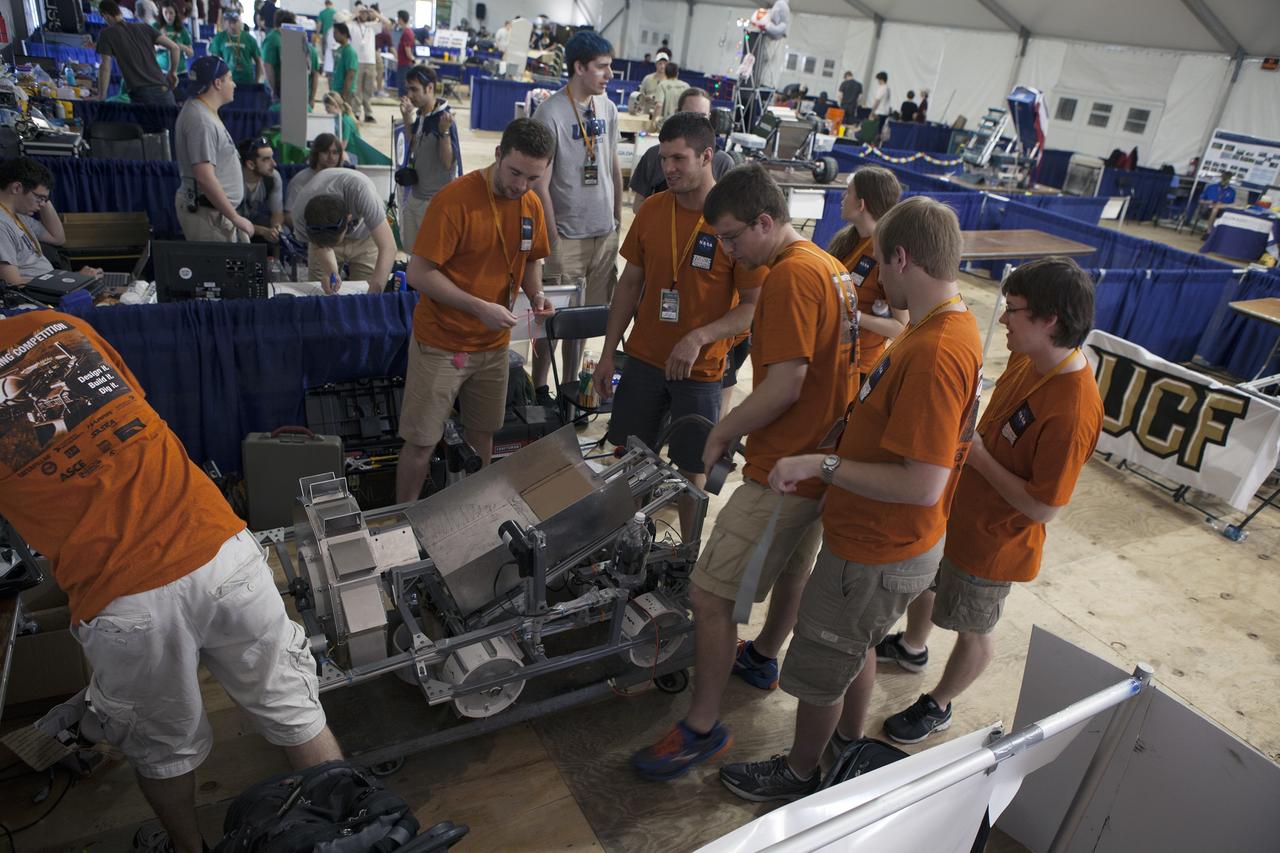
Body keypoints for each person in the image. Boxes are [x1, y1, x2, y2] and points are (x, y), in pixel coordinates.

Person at [0, 309, 343, 853]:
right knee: (293, 705)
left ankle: (188, 848)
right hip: (223, 550)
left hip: (124, 597)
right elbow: (130, 409)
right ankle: (344, 833)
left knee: (163, 748)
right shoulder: (56, 324)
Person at [718, 196, 983, 803]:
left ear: (903, 257)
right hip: (879, 541)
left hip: (877, 547)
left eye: (881, 266)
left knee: (818, 668)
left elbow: (924, 482)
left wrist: (823, 463)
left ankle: (800, 771)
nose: (877, 282)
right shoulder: (940, 325)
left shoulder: (937, 348)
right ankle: (847, 740)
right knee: (851, 646)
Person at [629, 163, 857, 781]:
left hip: (781, 468)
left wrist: (724, 432)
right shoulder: (831, 269)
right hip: (820, 463)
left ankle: (701, 726)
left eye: (732, 238)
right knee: (791, 572)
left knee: (709, 595)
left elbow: (785, 383)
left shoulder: (787, 278)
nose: (727, 252)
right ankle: (759, 660)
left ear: (765, 221)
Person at [877, 258, 1102, 744]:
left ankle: (939, 703)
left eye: (1014, 311)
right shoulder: (1031, 357)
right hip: (957, 515)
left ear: (1051, 321)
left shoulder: (1074, 407)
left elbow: (1044, 509)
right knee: (931, 586)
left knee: (973, 628)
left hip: (994, 544)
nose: (1002, 319)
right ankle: (914, 647)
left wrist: (977, 457)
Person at [592, 114, 765, 538]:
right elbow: (630, 285)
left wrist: (699, 337)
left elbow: (753, 307)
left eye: (678, 158)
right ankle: (625, 545)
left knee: (692, 470)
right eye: (663, 157)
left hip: (700, 372)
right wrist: (608, 353)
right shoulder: (653, 210)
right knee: (630, 461)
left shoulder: (731, 223)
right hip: (644, 362)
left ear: (707, 156)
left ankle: (685, 559)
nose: (667, 167)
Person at [394, 118, 556, 501]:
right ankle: (401, 518)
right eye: (515, 173)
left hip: (493, 346)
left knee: (482, 434)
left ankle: (471, 513)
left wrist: (536, 296)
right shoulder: (455, 200)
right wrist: (477, 307)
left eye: (533, 178)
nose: (521, 186)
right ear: (498, 154)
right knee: (421, 442)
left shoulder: (530, 204)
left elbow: (531, 259)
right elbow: (418, 273)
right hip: (442, 343)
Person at [530, 31, 622, 407]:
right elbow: (539, 184)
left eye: (610, 66)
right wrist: (551, 236)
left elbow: (613, 165)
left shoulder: (608, 109)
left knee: (585, 321)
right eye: (602, 67)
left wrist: (617, 217)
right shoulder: (549, 114)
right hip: (565, 237)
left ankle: (571, 389)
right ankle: (539, 389)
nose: (609, 74)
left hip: (604, 235)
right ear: (579, 67)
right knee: (552, 321)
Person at [825, 167, 908, 379]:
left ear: (861, 204)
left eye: (848, 193)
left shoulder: (886, 254)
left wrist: (857, 317)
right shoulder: (847, 239)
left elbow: (901, 327)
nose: (843, 198)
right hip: (829, 354)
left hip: (858, 366)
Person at [174, 56, 252, 242]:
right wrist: (235, 217)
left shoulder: (203, 111)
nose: (234, 85)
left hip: (214, 213)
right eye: (230, 79)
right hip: (206, 214)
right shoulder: (201, 120)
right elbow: (204, 176)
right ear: (217, 83)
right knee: (214, 271)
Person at [292, 168, 396, 293]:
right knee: (320, 293)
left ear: (349, 219)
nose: (336, 247)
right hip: (323, 239)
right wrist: (331, 272)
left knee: (368, 287)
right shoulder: (300, 216)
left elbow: (388, 247)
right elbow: (321, 246)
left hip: (366, 237)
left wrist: (372, 298)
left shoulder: (362, 192)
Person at [631, 88, 736, 212]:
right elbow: (639, 206)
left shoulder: (724, 162)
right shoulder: (653, 155)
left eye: (702, 117)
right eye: (689, 115)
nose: (669, 168)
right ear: (677, 113)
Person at [0, 159, 102, 285]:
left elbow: (58, 238)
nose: (43, 205)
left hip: (50, 288)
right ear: (16, 188)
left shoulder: (19, 217)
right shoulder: (2, 225)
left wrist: (42, 196)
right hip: (35, 299)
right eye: (39, 198)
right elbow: (13, 283)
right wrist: (74, 280)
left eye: (45, 200)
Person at [397, 65, 460, 251]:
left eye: (414, 89)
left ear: (430, 88)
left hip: (434, 203)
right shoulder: (421, 115)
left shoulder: (444, 118)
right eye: (408, 89)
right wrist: (407, 119)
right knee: (410, 252)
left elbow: (448, 164)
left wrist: (445, 132)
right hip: (415, 197)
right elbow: (414, 146)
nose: (409, 94)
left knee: (429, 258)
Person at [95, 0, 187, 105]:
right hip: (163, 89)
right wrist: (172, 72)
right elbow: (175, 48)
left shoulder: (107, 34)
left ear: (105, 16)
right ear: (119, 12)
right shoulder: (145, 27)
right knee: (170, 121)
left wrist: (101, 96)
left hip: (141, 93)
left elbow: (105, 67)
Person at [285, 133, 345, 223]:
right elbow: (288, 216)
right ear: (316, 154)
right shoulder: (300, 180)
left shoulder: (343, 179)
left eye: (335, 152)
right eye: (325, 152)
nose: (331, 157)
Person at [237, 137, 283, 247]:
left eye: (272, 157)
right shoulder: (234, 179)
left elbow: (277, 213)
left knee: (282, 232)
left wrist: (276, 226)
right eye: (266, 159)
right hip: (233, 222)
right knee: (239, 234)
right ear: (250, 165)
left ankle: (275, 262)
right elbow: (232, 220)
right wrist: (263, 231)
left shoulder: (273, 177)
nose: (274, 164)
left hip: (254, 219)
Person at [209, 10, 262, 86]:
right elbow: (215, 61)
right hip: (226, 81)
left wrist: (257, 81)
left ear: (240, 22)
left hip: (247, 81)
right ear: (225, 22)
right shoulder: (219, 38)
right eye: (230, 22)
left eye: (235, 22)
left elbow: (258, 61)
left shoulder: (249, 39)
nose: (232, 25)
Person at [351, 6, 383, 122]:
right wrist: (355, 13)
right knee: (357, 89)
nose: (364, 14)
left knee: (368, 89)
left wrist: (375, 13)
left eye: (366, 12)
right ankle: (356, 111)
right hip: (357, 61)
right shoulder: (353, 26)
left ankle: (368, 113)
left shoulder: (372, 26)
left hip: (370, 61)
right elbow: (343, 23)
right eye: (362, 12)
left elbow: (387, 24)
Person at [261, 9, 297, 97]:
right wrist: (273, 90)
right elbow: (268, 66)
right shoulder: (272, 39)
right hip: (274, 85)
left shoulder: (282, 38)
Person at [153, 2, 192, 74]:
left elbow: (191, 54)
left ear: (175, 14)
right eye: (165, 13)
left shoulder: (182, 29)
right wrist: (160, 46)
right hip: (161, 70)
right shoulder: (155, 27)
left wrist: (183, 47)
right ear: (162, 13)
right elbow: (147, 47)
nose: (168, 16)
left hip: (180, 71)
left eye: (171, 13)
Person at [331, 21, 359, 105]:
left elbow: (351, 74)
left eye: (336, 33)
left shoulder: (349, 51)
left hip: (345, 91)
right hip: (336, 89)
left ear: (344, 34)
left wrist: (344, 94)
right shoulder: (339, 49)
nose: (334, 36)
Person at [639, 49, 669, 117]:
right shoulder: (647, 79)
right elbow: (641, 95)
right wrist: (645, 98)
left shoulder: (669, 81)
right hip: (646, 113)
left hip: (662, 116)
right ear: (656, 64)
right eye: (660, 63)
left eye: (665, 63)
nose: (662, 66)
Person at [394, 10, 416, 96]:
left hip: (404, 65)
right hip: (405, 64)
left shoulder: (406, 33)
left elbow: (408, 52)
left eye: (398, 18)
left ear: (401, 19)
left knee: (403, 90)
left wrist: (413, 59)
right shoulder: (408, 32)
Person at [869, 71, 892, 142]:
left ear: (881, 79)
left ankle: (873, 145)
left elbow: (877, 101)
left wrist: (872, 112)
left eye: (878, 80)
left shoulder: (882, 88)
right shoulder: (888, 88)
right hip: (885, 112)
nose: (878, 82)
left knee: (875, 132)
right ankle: (878, 145)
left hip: (879, 112)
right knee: (880, 131)